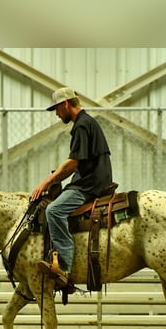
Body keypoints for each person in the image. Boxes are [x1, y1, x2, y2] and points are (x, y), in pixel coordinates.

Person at [31, 87, 113, 287]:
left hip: (89, 184)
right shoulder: (87, 123)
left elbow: (73, 162)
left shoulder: (81, 126)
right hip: (90, 179)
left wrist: (46, 183)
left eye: (57, 109)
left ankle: (65, 268)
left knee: (54, 210)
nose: (57, 114)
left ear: (65, 104)